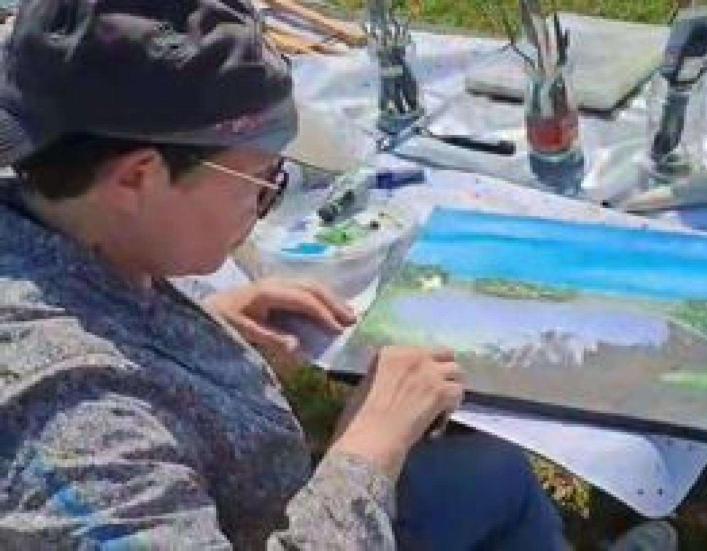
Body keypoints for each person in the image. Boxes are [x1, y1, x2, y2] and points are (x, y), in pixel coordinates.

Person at [0, 0, 565, 548]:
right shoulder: (74, 426)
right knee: (496, 486)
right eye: (261, 178)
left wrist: (186, 335)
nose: (268, 199)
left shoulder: (54, 231)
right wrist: (370, 448)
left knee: (495, 475)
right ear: (136, 178)